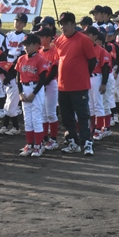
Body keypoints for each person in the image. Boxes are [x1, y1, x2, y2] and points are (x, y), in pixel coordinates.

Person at [55, 12, 97, 156]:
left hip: (79, 86)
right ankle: (73, 141)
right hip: (63, 86)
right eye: (61, 24)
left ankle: (87, 142)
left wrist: (83, 74)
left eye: (66, 24)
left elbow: (92, 60)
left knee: (83, 115)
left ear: (73, 25)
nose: (63, 27)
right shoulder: (59, 40)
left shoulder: (83, 40)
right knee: (67, 117)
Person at [16, 34, 49, 157]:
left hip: (36, 88)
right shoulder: (21, 59)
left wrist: (34, 93)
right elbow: (18, 77)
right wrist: (20, 93)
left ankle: (38, 145)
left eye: (28, 45)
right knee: (27, 118)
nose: (25, 47)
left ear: (36, 45)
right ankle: (30, 144)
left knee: (36, 118)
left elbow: (42, 79)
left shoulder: (40, 59)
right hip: (24, 88)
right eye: (24, 45)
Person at [82, 26, 111, 141]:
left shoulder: (101, 51)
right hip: (86, 78)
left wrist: (103, 83)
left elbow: (105, 68)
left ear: (95, 36)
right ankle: (93, 128)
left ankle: (99, 129)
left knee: (98, 104)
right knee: (90, 105)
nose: (86, 36)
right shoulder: (84, 49)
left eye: (88, 34)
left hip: (97, 77)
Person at [35, 27, 60, 150]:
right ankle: (45, 139)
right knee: (43, 114)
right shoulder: (39, 52)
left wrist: (43, 83)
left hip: (50, 84)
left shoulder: (54, 52)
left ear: (49, 38)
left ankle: (53, 140)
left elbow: (54, 71)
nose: (39, 38)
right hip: (41, 84)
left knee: (51, 113)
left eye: (42, 36)